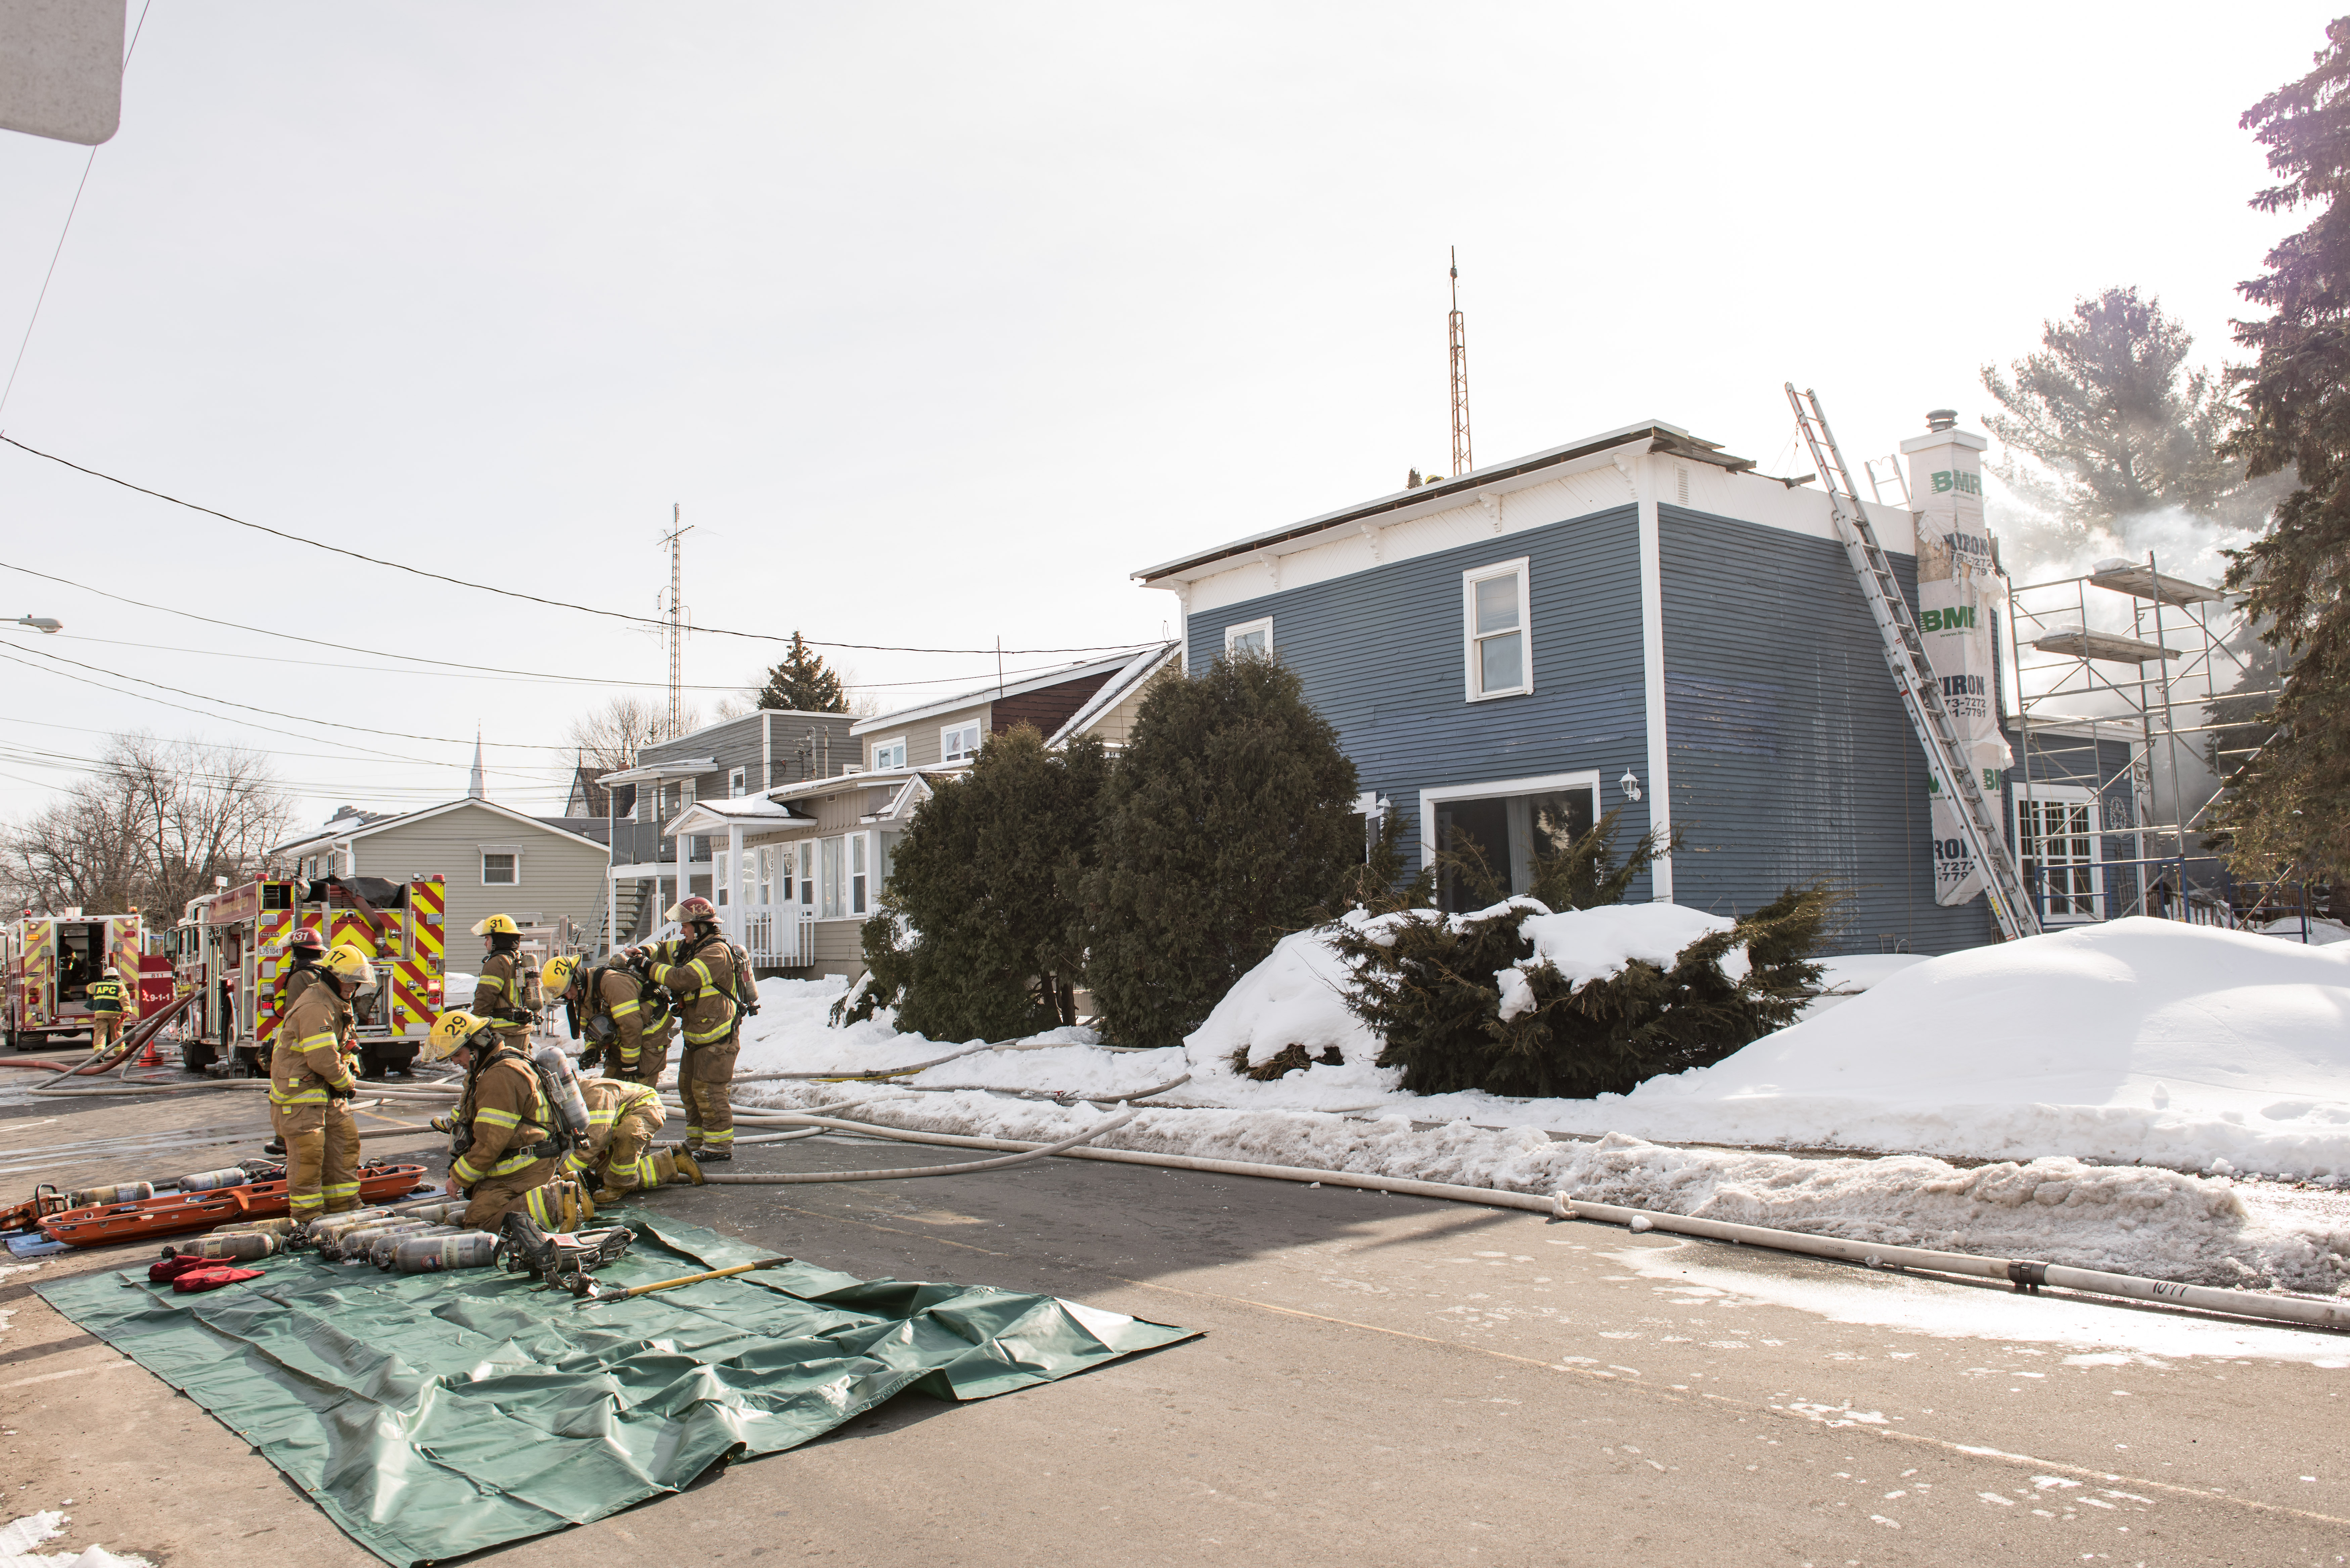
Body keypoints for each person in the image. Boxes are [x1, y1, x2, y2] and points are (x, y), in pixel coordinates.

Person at [419, 1009, 588, 1231]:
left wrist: (458, 1178)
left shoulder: (499, 1076)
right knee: (477, 1207)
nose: (454, 1061)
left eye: (457, 1054)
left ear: (474, 1048)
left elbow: (491, 1144)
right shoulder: (496, 1063)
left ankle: (555, 1198)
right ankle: (551, 1194)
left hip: (524, 1165)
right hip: (526, 1158)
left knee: (478, 1223)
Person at [630, 896, 742, 1160]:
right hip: (697, 1036)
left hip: (718, 1037)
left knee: (708, 1091)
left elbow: (684, 979)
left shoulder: (716, 953)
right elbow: (663, 949)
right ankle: (696, 1141)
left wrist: (647, 967)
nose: (682, 931)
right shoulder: (690, 947)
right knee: (688, 1089)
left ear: (701, 926)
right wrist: (643, 953)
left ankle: (718, 1146)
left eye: (686, 926)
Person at [271, 945, 372, 1224]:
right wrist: (346, 1081)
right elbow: (322, 1058)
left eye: (357, 981)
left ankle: (346, 1209)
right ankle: (308, 1219)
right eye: (349, 980)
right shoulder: (317, 1005)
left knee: (345, 1147)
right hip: (301, 1096)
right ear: (332, 976)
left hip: (329, 1093)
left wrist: (348, 1072)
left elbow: (342, 1048)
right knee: (309, 1159)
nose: (354, 987)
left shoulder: (336, 999)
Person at [542, 954, 675, 1088]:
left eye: (568, 990)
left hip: (648, 1039)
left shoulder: (612, 983)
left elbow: (631, 1026)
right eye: (564, 994)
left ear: (577, 979)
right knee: (609, 1091)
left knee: (640, 1094)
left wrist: (630, 1064)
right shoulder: (582, 993)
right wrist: (592, 1050)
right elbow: (591, 1026)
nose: (569, 996)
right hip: (624, 1041)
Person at [564, 1074, 697, 1202]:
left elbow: (594, 1141)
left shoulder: (595, 1094)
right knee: (607, 1175)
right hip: (620, 1123)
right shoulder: (573, 1100)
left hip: (646, 1107)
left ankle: (619, 1186)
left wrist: (563, 1175)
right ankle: (675, 1161)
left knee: (628, 1133)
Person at [84, 965, 128, 1054]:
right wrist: (128, 1011)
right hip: (115, 1014)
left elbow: (88, 989)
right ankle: (120, 1053)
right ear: (117, 977)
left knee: (100, 1034)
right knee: (117, 1034)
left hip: (101, 1014)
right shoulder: (119, 985)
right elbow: (125, 998)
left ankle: (99, 1054)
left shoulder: (98, 985)